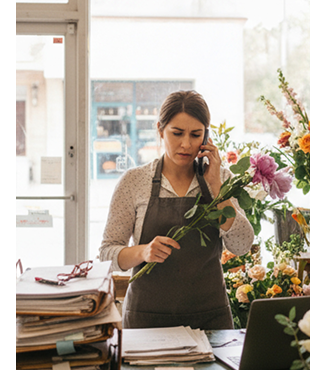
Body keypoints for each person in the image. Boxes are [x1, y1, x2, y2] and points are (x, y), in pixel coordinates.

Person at [99, 90, 253, 329]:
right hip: (146, 320)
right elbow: (107, 254)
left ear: (207, 136)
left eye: (196, 135)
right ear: (160, 130)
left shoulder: (220, 178)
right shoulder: (134, 182)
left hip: (211, 320)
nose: (186, 144)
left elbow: (242, 245)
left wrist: (216, 187)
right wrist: (143, 252)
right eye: (177, 133)